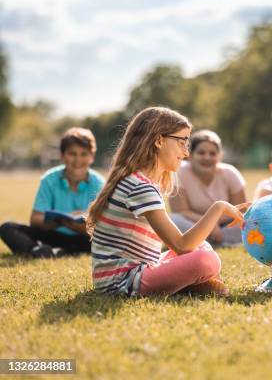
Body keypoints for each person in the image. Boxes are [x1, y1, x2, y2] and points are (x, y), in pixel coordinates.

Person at [87, 107, 245, 297]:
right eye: (182, 142)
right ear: (159, 140)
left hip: (138, 271)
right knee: (205, 259)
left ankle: (190, 285)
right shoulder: (140, 186)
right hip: (122, 283)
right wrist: (218, 207)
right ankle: (191, 286)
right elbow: (181, 245)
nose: (186, 152)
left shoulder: (139, 181)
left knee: (203, 247)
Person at [0, 127, 104, 257]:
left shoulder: (100, 184)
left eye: (84, 154)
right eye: (72, 154)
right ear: (62, 156)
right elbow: (35, 219)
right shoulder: (49, 179)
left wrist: (73, 225)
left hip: (85, 238)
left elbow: (102, 228)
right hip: (53, 235)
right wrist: (62, 220)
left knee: (108, 239)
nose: (78, 160)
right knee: (8, 228)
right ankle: (37, 251)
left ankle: (53, 251)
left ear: (92, 157)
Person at [168, 130, 246, 245]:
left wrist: (213, 223)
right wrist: (209, 224)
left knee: (250, 222)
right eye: (201, 153)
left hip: (225, 225)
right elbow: (180, 211)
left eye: (212, 153)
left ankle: (205, 241)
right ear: (190, 155)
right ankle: (213, 240)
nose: (207, 157)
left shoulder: (230, 173)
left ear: (219, 157)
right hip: (193, 224)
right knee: (173, 219)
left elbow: (241, 210)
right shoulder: (179, 172)